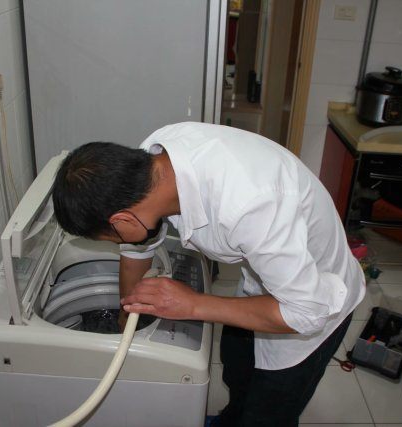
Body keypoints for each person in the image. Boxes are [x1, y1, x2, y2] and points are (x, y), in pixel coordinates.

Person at [52, 122, 365, 426]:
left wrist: (193, 304)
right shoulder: (151, 165)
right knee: (237, 367)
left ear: (122, 220)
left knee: (268, 410)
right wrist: (126, 314)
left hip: (315, 300)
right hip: (266, 277)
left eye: (113, 239)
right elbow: (138, 245)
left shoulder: (249, 204)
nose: (119, 244)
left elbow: (306, 313)